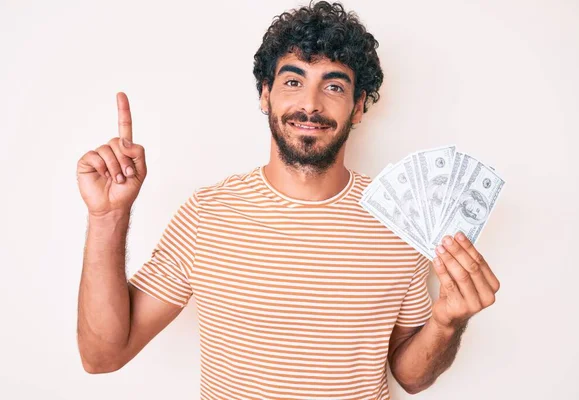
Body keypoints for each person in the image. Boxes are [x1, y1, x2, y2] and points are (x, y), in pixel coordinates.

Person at [76, 1, 500, 398]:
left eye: (334, 86)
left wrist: (447, 321)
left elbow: (410, 376)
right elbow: (103, 356)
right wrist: (108, 216)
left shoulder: (398, 221)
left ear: (357, 108)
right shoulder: (207, 215)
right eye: (293, 81)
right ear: (266, 95)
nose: (310, 104)